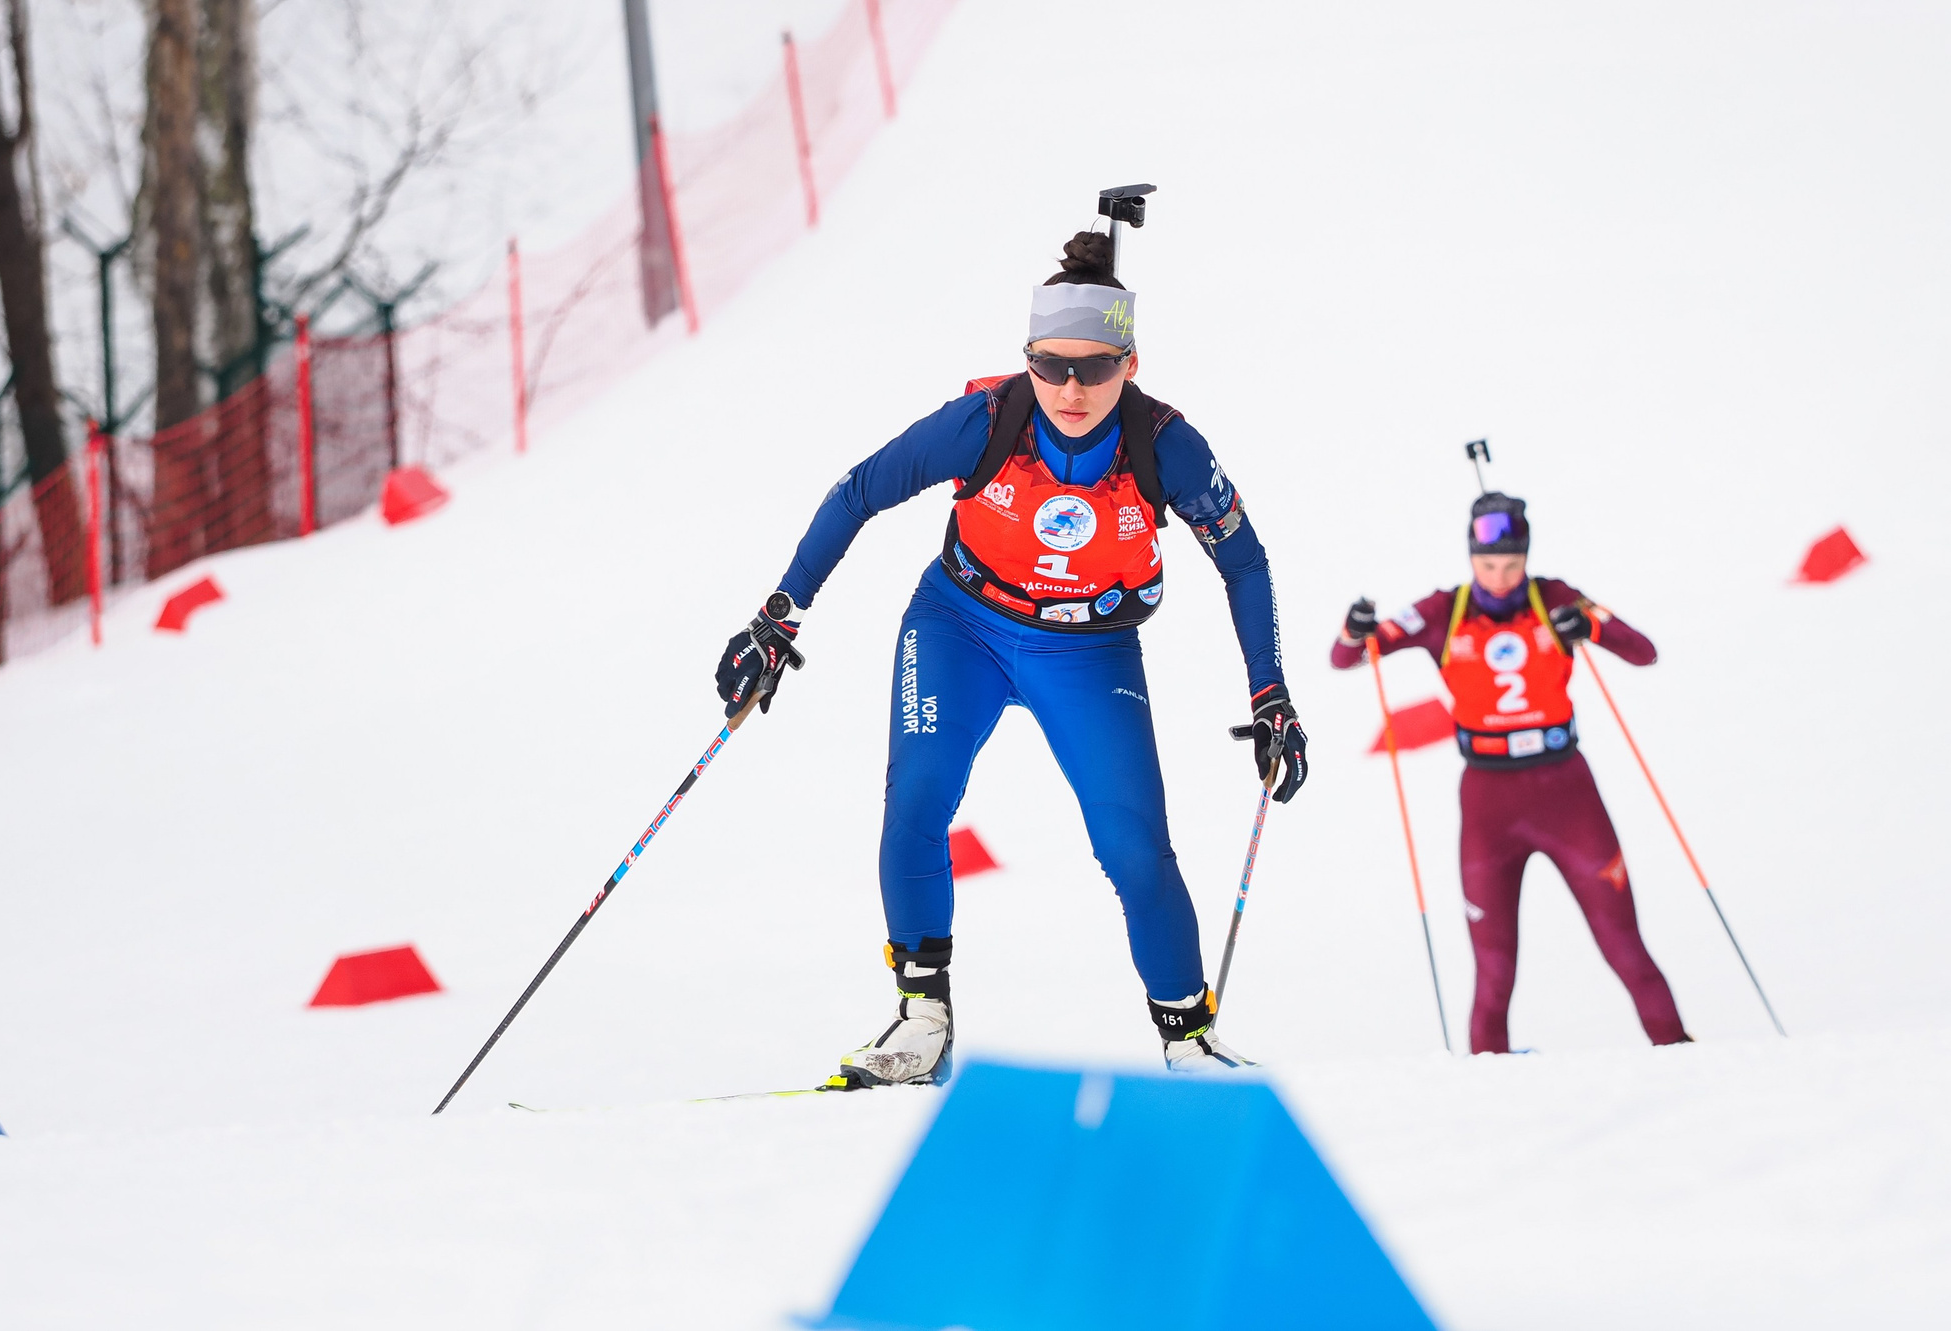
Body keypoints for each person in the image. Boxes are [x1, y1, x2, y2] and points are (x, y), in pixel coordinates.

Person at [715, 230, 1310, 1086]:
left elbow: (1244, 561)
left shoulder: (1167, 446)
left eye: (1094, 368)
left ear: (1130, 363)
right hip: (960, 626)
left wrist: (1271, 694)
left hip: (1089, 650)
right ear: (1027, 357)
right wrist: (779, 617)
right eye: (1050, 364)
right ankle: (922, 1021)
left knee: (1133, 845)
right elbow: (859, 490)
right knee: (916, 800)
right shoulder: (985, 422)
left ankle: (1189, 1039)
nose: (1071, 388)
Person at [1330, 492, 1687, 1051]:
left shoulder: (1557, 598)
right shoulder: (1443, 610)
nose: (1500, 578)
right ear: (1471, 558)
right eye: (1489, 565)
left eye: (1512, 565)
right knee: (1494, 970)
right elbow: (1348, 657)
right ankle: (1487, 1087)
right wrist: (1355, 629)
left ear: (1527, 557)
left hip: (1567, 795)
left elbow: (1643, 652)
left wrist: (1589, 628)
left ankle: (1683, 1059)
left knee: (1625, 949)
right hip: (1488, 805)